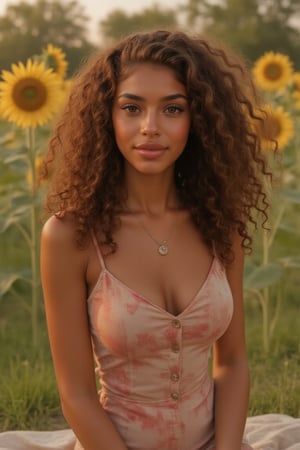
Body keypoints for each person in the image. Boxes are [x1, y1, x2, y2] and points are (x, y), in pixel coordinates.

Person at [40, 29, 270, 450]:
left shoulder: (219, 223)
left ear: (196, 118)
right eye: (131, 107)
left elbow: (232, 362)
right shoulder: (70, 236)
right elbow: (75, 395)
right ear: (107, 116)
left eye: (172, 109)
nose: (150, 128)